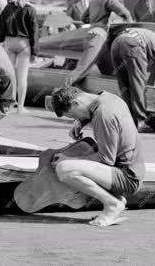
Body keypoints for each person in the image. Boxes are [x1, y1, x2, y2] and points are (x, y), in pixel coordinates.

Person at [47, 86, 145, 227]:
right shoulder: (108, 97)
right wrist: (80, 122)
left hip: (127, 178)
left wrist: (68, 160)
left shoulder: (103, 115)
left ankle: (112, 204)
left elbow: (106, 159)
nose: (75, 119)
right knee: (79, 155)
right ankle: (116, 199)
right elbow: (92, 109)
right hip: (133, 170)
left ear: (75, 103)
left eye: (73, 116)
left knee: (64, 169)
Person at [0, 0, 40, 113]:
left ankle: (6, 105)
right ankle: (20, 107)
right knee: (22, 76)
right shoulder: (30, 9)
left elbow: (0, 27)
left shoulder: (8, 8)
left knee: (8, 75)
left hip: (9, 42)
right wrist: (35, 52)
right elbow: (34, 32)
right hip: (24, 44)